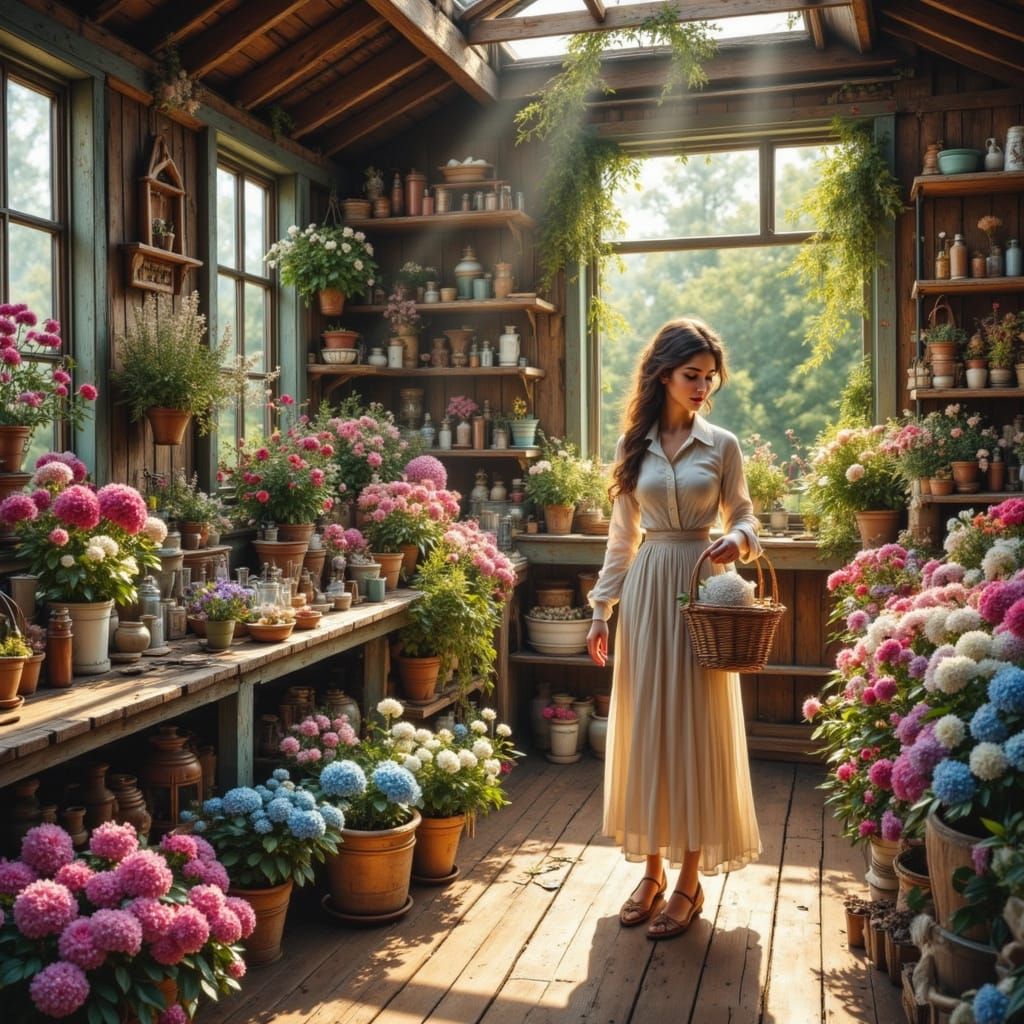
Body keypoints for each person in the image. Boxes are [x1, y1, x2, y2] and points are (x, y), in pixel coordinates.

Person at [585, 317, 762, 941]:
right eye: (693, 376)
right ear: (664, 373)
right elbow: (620, 539)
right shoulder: (634, 446)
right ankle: (652, 871)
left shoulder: (723, 445)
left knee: (697, 728)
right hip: (647, 591)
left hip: (705, 591)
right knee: (647, 728)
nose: (703, 388)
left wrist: (736, 539)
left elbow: (744, 515)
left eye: (710, 379)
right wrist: (602, 610)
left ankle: (690, 877)